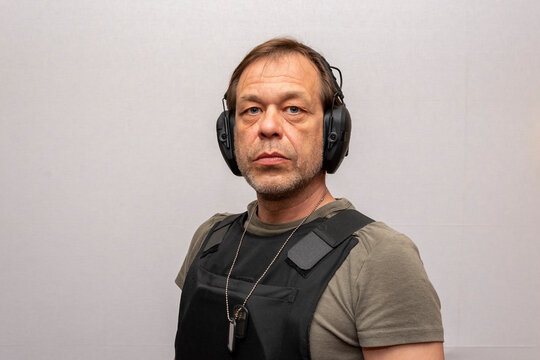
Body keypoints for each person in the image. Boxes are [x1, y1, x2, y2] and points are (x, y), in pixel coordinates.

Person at [174, 38, 444, 360]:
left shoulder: (378, 259)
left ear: (333, 132)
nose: (269, 126)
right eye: (252, 110)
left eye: (293, 109)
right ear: (229, 135)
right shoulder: (210, 240)